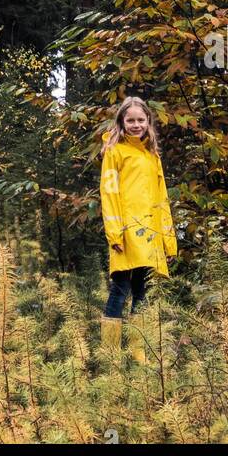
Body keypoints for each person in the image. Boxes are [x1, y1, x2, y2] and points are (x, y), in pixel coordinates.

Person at [99, 95, 177, 359]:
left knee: (142, 295)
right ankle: (110, 355)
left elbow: (162, 197)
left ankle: (137, 353)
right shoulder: (115, 150)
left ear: (148, 121)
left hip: (150, 234)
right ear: (121, 121)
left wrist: (168, 239)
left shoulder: (151, 153)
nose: (136, 125)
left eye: (140, 120)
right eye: (130, 120)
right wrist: (115, 232)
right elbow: (109, 192)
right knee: (120, 291)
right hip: (125, 233)